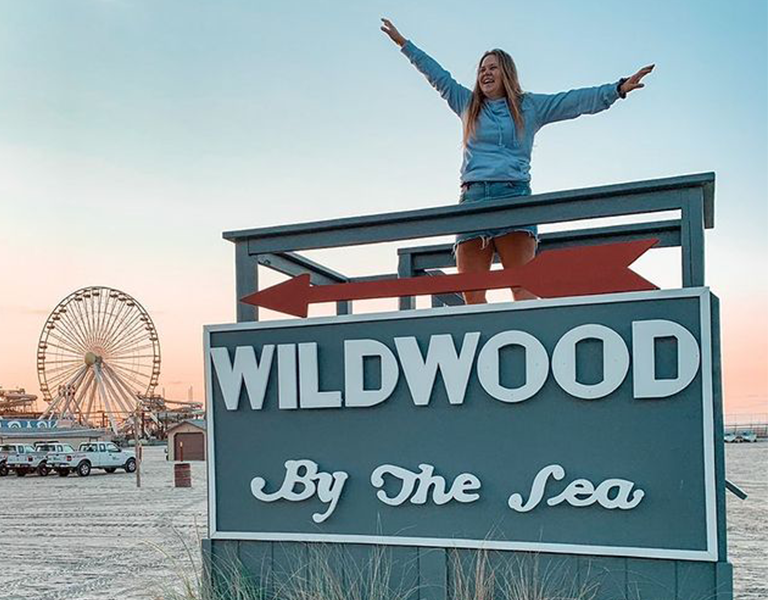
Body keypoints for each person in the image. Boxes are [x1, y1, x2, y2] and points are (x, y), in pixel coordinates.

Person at [381, 18, 654, 304]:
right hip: (473, 202)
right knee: (472, 296)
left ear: (506, 73)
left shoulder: (528, 107)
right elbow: (437, 75)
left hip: (514, 198)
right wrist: (404, 44)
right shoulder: (467, 103)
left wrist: (617, 89)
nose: (485, 74)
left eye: (492, 68)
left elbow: (573, 102)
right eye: (482, 69)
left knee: (523, 290)